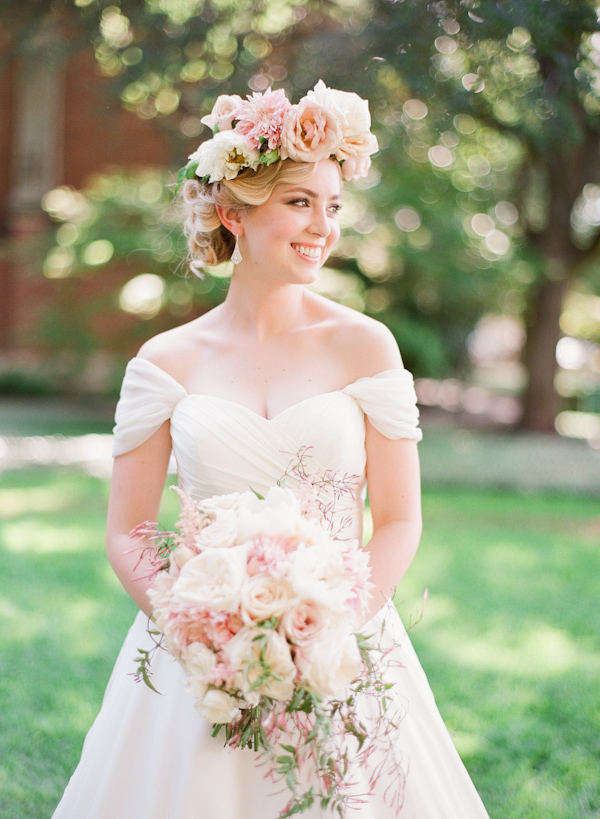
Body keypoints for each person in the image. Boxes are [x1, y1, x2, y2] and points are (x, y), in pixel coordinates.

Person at [51, 83, 490, 818]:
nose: (323, 226)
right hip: (200, 656)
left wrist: (330, 633)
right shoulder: (166, 361)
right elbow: (129, 531)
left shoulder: (365, 345)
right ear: (233, 212)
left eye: (333, 205)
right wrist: (207, 635)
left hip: (343, 647)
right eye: (299, 202)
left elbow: (400, 518)